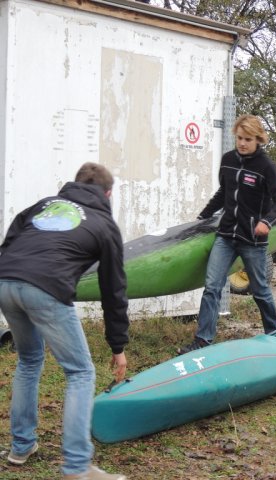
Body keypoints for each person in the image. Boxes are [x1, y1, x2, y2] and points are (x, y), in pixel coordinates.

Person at [0, 163, 129, 480]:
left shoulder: (45, 204)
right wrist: (118, 346)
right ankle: (76, 466)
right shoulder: (104, 223)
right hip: (46, 287)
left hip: (5, 280)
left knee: (29, 359)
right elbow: (113, 289)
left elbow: (10, 242)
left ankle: (21, 446)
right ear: (108, 193)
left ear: (74, 184)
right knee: (81, 372)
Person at [179, 114, 276, 354]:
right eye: (239, 138)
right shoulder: (228, 160)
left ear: (258, 139)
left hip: (253, 240)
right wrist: (203, 216)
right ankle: (202, 340)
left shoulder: (267, 168)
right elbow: (223, 193)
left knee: (260, 291)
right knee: (212, 287)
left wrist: (267, 222)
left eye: (248, 139)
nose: (242, 143)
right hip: (226, 235)